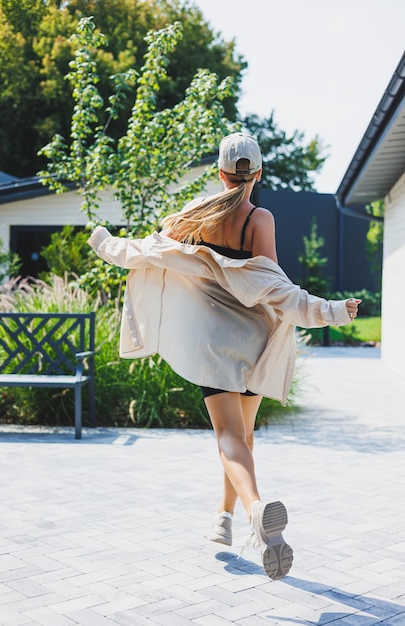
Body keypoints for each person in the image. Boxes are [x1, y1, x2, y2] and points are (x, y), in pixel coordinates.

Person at [87, 132, 361, 581]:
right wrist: (329, 310)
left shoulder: (196, 215)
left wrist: (106, 242)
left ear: (220, 173)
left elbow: (149, 250)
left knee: (230, 439)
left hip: (213, 344)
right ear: (257, 174)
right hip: (253, 342)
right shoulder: (260, 219)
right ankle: (223, 518)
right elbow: (273, 287)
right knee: (244, 435)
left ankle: (252, 510)